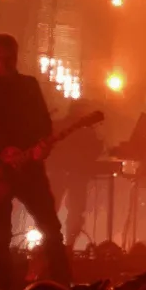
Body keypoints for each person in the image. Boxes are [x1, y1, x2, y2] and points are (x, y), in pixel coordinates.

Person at [0, 33, 71, 290]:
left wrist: (42, 148)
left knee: (51, 228)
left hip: (29, 169)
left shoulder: (29, 86)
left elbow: (44, 125)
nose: (10, 64)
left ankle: (63, 289)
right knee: (0, 236)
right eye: (4, 59)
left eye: (13, 58)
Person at [48, 101, 104, 248]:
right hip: (75, 174)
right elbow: (95, 151)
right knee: (76, 211)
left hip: (59, 173)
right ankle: (69, 246)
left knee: (51, 210)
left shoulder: (57, 125)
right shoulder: (87, 130)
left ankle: (49, 244)